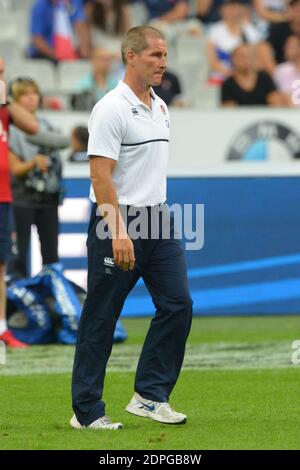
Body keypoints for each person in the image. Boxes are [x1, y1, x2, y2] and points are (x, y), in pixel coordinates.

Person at [70, 25, 193, 430]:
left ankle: (150, 396)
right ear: (131, 56)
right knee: (102, 318)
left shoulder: (160, 106)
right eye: (156, 55)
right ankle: (86, 412)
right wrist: (118, 230)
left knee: (178, 305)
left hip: (158, 218)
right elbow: (100, 176)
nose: (163, 62)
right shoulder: (110, 108)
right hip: (117, 221)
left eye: (165, 55)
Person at [0, 57, 39, 348]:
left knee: (1, 265)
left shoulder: (5, 110)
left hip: (3, 195)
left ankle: (1, 328)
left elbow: (32, 126)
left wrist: (6, 100)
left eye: (2, 72)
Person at [8, 78, 63, 279]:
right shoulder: (10, 130)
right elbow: (14, 169)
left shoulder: (47, 126)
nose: (31, 99)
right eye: (24, 94)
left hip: (48, 199)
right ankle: (17, 305)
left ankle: (51, 301)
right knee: (18, 256)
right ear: (15, 101)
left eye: (34, 93)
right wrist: (33, 163)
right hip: (22, 198)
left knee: (52, 256)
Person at [207, 0, 276, 84]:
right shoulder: (215, 30)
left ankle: (277, 80)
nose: (233, 10)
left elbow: (258, 53)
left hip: (248, 71)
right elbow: (212, 59)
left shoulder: (249, 28)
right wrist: (231, 73)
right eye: (230, 7)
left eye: (236, 6)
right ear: (221, 10)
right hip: (224, 73)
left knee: (264, 49)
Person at [273, 35, 300, 107]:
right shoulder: (281, 70)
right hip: (289, 112)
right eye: (288, 47)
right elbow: (282, 94)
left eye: (294, 47)